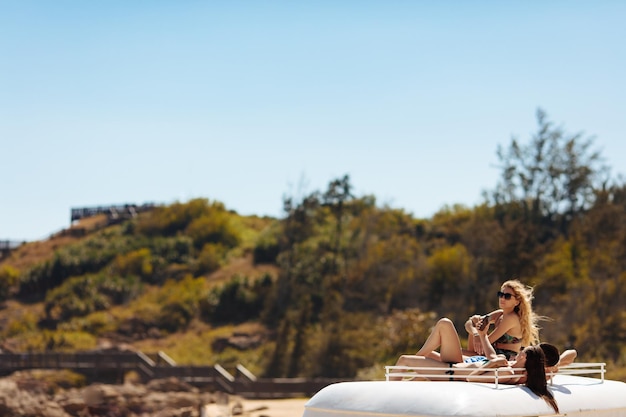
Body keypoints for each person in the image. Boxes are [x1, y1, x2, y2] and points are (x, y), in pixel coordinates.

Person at [391, 321, 560, 413]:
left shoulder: (508, 372)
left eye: (523, 353)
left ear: (525, 359)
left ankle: (389, 394)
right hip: (453, 365)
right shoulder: (510, 367)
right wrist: (482, 335)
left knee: (405, 360)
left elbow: (472, 378)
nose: (519, 353)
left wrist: (491, 363)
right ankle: (406, 382)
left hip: (449, 372)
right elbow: (491, 354)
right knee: (443, 325)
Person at [465, 279, 540, 360]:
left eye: (507, 296)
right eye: (500, 294)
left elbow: (487, 342)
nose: (502, 298)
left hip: (503, 358)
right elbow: (470, 321)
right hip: (491, 353)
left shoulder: (511, 318)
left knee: (457, 355)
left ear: (517, 302)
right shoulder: (500, 314)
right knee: (476, 320)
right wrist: (475, 333)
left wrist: (479, 334)